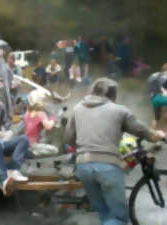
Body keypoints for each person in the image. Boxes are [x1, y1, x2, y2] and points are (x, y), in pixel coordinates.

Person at [66, 77, 165, 225]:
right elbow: (142, 130)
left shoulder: (77, 108)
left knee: (104, 214)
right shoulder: (119, 110)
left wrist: (83, 150)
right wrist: (157, 136)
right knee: (118, 218)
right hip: (107, 167)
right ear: (112, 95)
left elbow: (68, 138)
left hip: (83, 166)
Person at [24, 89, 58, 156]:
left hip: (26, 141)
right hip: (33, 144)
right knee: (55, 150)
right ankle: (33, 153)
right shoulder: (41, 114)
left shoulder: (27, 113)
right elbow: (48, 127)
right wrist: (53, 119)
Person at [147, 63, 167, 129]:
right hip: (164, 98)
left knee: (156, 118)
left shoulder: (153, 75)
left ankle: (151, 134)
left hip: (155, 98)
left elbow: (149, 87)